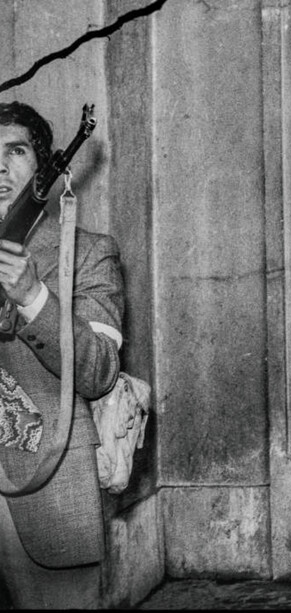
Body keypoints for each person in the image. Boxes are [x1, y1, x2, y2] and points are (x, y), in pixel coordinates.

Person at [0, 101, 124, 608]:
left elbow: (98, 370)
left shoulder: (90, 252)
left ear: (46, 168)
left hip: (42, 485)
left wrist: (33, 298)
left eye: (16, 151)